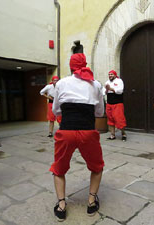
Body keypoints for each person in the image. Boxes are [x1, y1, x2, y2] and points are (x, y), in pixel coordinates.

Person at [50, 53, 104, 221]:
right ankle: (91, 200)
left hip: (66, 131)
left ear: (71, 66)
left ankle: (61, 205)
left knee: (58, 169)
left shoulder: (61, 83)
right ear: (85, 64)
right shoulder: (96, 85)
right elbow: (100, 112)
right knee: (97, 167)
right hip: (88, 132)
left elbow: (56, 111)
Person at [104, 70, 127, 141]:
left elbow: (120, 91)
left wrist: (111, 89)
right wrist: (107, 90)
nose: (110, 76)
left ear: (115, 75)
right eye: (109, 74)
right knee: (110, 119)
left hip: (117, 103)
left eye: (111, 74)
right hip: (109, 103)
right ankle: (112, 135)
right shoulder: (107, 82)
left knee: (119, 119)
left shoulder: (119, 81)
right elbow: (104, 93)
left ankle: (123, 133)